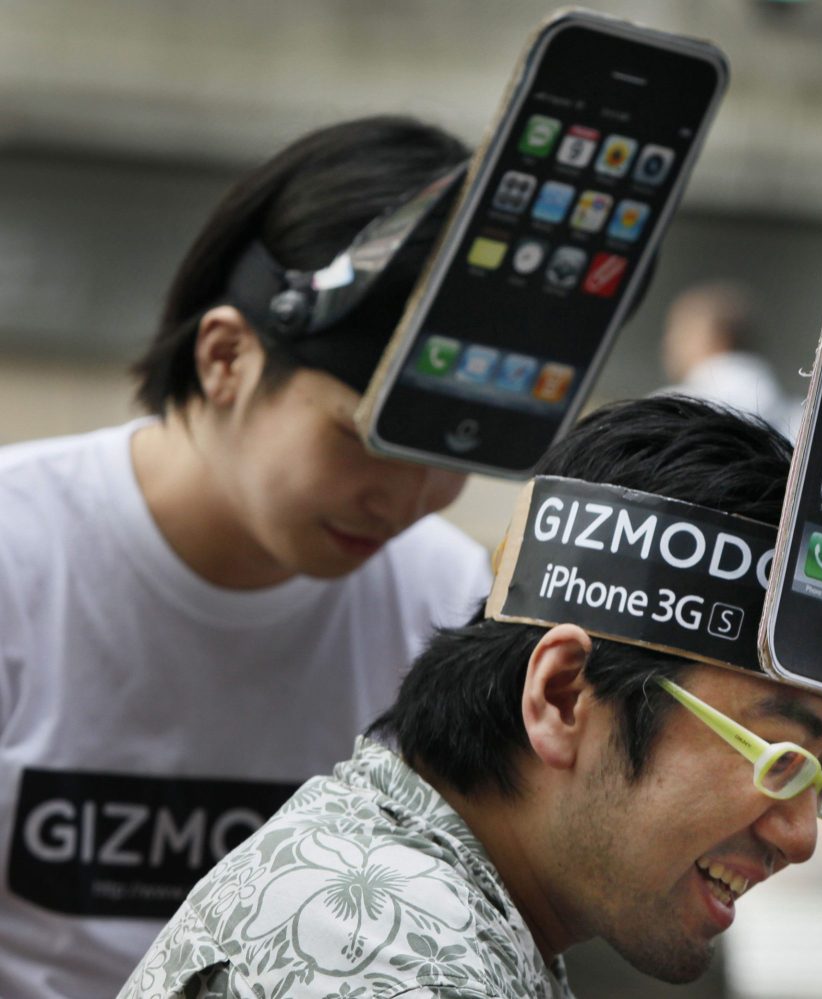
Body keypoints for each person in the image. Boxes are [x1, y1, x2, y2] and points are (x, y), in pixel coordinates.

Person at [119, 395, 822, 998]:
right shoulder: (394, 956)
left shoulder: (429, 891)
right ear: (562, 694)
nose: (801, 836)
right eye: (781, 758)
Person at [0, 117, 493, 998]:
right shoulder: (19, 549)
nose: (408, 498)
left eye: (451, 459)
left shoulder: (440, 598)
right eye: (366, 440)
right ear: (225, 356)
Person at [660, 280, 803, 438]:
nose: (669, 342)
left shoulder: (670, 410)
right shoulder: (805, 419)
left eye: (683, 332)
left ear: (720, 338)